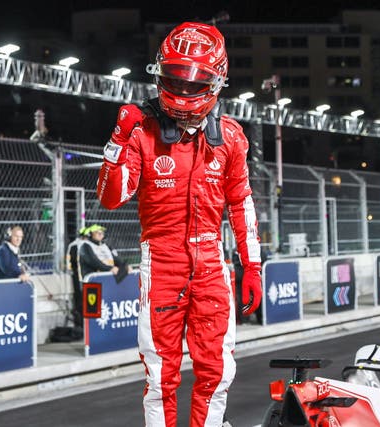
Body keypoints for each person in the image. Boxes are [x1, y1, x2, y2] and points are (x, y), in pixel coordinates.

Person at [96, 22, 262, 427]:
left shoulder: (232, 139)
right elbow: (111, 197)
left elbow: (241, 203)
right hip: (162, 262)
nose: (183, 91)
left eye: (194, 84)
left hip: (211, 264)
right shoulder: (141, 132)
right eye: (175, 80)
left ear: (216, 82)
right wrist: (118, 140)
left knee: (217, 373)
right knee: (159, 378)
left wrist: (252, 265)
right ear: (159, 75)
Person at [66, 226, 88, 327]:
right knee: (81, 300)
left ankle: (81, 323)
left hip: (77, 276)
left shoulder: (72, 245)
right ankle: (82, 323)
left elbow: (68, 264)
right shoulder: (80, 245)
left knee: (80, 299)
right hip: (81, 276)